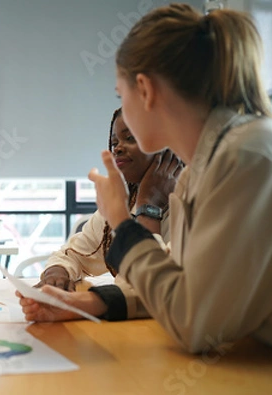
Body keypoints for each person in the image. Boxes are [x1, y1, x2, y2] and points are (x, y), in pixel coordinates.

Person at [23, 3, 272, 353]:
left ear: (145, 90)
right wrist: (95, 302)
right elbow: (181, 286)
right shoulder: (202, 170)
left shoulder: (244, 158)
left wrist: (124, 224)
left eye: (119, 95)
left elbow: (193, 322)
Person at [29, 108, 182, 321]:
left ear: (169, 149)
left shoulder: (193, 205)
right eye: (114, 142)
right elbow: (73, 253)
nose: (117, 148)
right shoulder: (127, 201)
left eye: (130, 138)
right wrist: (57, 273)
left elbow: (150, 288)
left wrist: (149, 207)